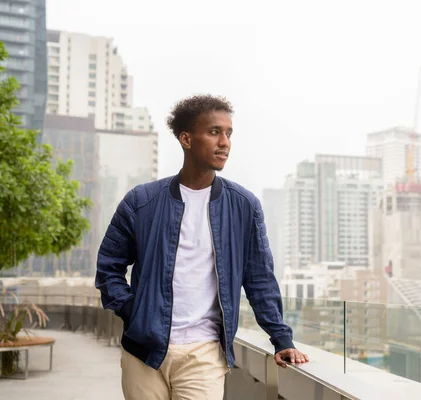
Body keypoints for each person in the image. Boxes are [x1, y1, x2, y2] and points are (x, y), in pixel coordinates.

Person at [95, 95, 308, 399]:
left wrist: (281, 338)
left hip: (204, 354)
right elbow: (108, 268)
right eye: (214, 132)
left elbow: (259, 278)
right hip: (143, 352)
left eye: (229, 133)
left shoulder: (244, 206)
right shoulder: (141, 202)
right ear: (186, 139)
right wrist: (134, 312)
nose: (225, 142)